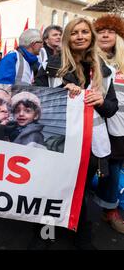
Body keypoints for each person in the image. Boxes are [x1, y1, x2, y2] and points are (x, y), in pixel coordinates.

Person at [33, 17, 119, 250]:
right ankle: (45, 233)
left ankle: (81, 235)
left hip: (89, 142)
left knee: (79, 190)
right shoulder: (50, 66)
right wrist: (61, 92)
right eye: (74, 32)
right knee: (51, 187)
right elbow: (35, 99)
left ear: (91, 36)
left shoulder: (104, 70)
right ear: (68, 37)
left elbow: (111, 109)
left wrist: (101, 101)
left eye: (85, 32)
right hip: (56, 140)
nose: (80, 36)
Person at [93, 14, 124, 234]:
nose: (105, 34)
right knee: (110, 168)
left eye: (111, 31)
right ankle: (109, 209)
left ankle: (109, 206)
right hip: (100, 122)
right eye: (101, 31)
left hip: (121, 123)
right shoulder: (89, 58)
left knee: (116, 167)